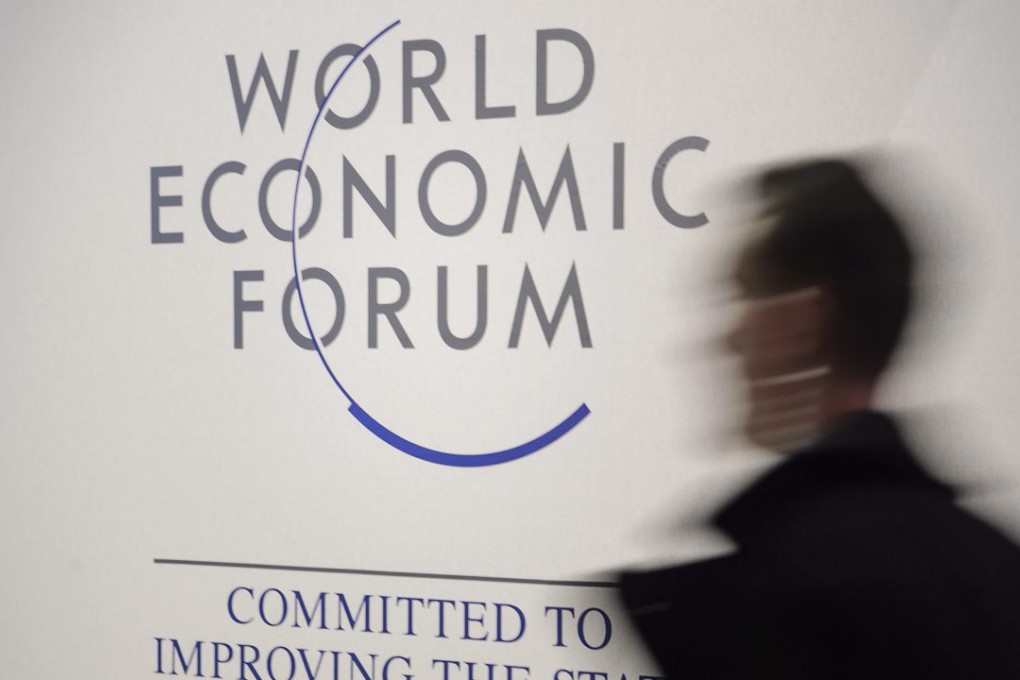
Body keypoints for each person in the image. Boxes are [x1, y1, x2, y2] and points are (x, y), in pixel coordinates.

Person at [620, 158, 1020, 678]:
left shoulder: (790, 589)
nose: (724, 340)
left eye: (743, 294)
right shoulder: (987, 560)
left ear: (802, 322)